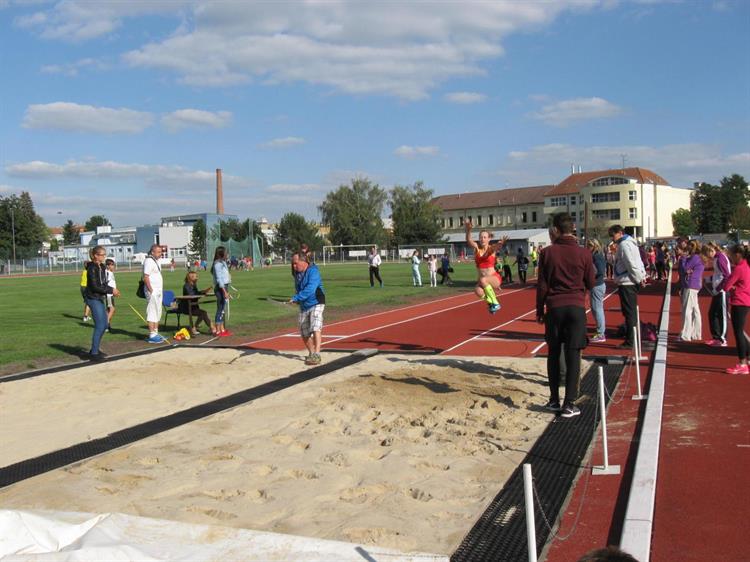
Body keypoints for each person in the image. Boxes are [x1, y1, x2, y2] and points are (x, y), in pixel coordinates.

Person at [536, 213, 595, 418]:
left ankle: (554, 399)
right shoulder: (585, 253)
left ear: (555, 230)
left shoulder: (546, 253)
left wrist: (539, 309)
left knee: (553, 353)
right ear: (573, 230)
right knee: (573, 355)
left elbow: (542, 285)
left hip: (554, 307)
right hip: (576, 307)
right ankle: (569, 403)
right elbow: (591, 281)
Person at [609, 225, 646, 349]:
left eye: (613, 235)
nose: (612, 238)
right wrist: (640, 276)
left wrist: (637, 278)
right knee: (630, 311)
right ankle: (632, 336)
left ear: (620, 233)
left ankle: (631, 340)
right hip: (629, 280)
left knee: (629, 312)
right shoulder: (631, 243)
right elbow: (638, 261)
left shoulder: (625, 245)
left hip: (627, 282)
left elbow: (630, 263)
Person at [289, 253, 326, 366]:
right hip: (304, 305)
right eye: (292, 264)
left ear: (303, 261)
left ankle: (317, 354)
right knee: (304, 332)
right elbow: (299, 289)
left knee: (315, 326)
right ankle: (311, 353)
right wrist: (297, 300)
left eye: (295, 263)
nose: (293, 266)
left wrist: (297, 297)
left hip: (317, 302)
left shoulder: (313, 271)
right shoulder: (297, 274)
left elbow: (310, 289)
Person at [719, 244, 750, 374]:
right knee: (740, 331)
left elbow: (726, 286)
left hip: (739, 302)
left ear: (737, 255)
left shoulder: (738, 269)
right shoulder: (747, 266)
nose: (730, 258)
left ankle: (742, 363)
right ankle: (747, 360)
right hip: (746, 301)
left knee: (738, 333)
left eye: (731, 255)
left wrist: (733, 288)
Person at [84, 246, 119, 360]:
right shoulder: (92, 268)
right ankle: (94, 353)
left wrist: (112, 290)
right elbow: (95, 286)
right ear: (95, 255)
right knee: (100, 325)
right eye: (102, 255)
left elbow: (103, 284)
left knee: (104, 325)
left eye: (105, 255)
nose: (104, 257)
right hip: (93, 298)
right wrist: (110, 290)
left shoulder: (102, 267)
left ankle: (95, 349)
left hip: (100, 297)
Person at [465, 219, 507, 313]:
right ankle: (491, 303)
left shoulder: (491, 248)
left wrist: (500, 244)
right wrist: (468, 230)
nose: (482, 239)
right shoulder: (476, 248)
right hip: (482, 282)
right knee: (477, 290)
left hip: (494, 278)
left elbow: (496, 247)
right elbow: (469, 240)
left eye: (484, 237)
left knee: (483, 279)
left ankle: (496, 303)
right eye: (481, 237)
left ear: (489, 239)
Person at [701, 242, 731, 347]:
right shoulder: (716, 259)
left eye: (706, 254)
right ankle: (716, 337)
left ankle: (722, 339)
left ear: (710, 251)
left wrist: (718, 289)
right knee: (712, 313)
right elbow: (718, 275)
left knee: (721, 315)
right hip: (717, 291)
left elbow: (727, 276)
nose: (707, 257)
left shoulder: (720, 258)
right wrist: (708, 279)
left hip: (722, 292)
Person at [679, 240, 704, 342]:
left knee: (687, 311)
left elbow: (685, 268)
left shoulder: (694, 257)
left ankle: (686, 334)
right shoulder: (698, 257)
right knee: (695, 310)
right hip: (695, 284)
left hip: (690, 284)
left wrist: (683, 258)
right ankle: (696, 333)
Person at [143, 244, 166, 344]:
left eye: (161, 252)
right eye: (158, 252)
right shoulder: (148, 261)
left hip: (158, 290)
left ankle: (156, 333)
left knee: (158, 311)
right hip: (152, 291)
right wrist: (151, 290)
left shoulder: (156, 261)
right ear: (152, 252)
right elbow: (146, 277)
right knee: (152, 311)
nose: (160, 254)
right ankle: (152, 334)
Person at [180, 270, 214, 336]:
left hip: (193, 306)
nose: (197, 278)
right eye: (196, 277)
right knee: (203, 313)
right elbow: (192, 295)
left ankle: (196, 328)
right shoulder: (186, 286)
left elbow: (197, 294)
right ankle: (211, 328)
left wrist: (205, 291)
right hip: (187, 307)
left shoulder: (193, 285)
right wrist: (202, 293)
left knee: (203, 313)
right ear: (191, 278)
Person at [587, 238, 607, 343]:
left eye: (589, 246)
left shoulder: (597, 256)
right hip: (597, 285)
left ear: (594, 246)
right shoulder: (596, 256)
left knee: (597, 309)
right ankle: (600, 331)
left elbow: (600, 271)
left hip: (597, 285)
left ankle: (601, 334)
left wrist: (590, 275)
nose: (587, 248)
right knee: (596, 309)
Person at [211, 245, 232, 337]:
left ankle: (222, 328)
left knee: (223, 308)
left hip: (225, 286)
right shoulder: (217, 264)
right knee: (220, 308)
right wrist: (225, 291)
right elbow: (219, 279)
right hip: (220, 288)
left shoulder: (223, 262)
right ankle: (217, 330)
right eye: (225, 252)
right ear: (221, 254)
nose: (227, 254)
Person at [105, 258, 117, 332]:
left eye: (113, 265)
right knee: (112, 309)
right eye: (112, 265)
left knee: (108, 310)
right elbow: (105, 284)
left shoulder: (111, 272)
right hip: (108, 295)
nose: (113, 266)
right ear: (108, 266)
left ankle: (107, 325)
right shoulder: (107, 273)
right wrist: (111, 291)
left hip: (111, 294)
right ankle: (105, 324)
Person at [80, 255, 91, 322]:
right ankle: (85, 316)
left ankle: (86, 315)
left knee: (87, 302)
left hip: (82, 287)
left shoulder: (84, 271)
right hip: (86, 287)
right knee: (88, 302)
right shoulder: (89, 271)